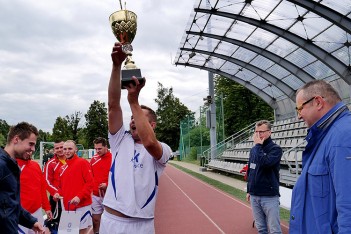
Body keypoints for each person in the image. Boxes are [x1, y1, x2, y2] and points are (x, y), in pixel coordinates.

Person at [99, 42, 172, 234]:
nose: (132, 121)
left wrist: (134, 101)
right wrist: (116, 66)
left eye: (138, 117)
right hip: (112, 221)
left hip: (141, 225)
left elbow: (149, 142)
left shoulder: (163, 149)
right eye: (131, 118)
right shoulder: (119, 140)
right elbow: (113, 105)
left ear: (152, 125)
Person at [289, 80, 351, 233]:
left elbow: (348, 207)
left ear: (318, 102)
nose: (298, 116)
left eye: (299, 108)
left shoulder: (343, 136)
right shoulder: (326, 136)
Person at [0, 122, 45, 233]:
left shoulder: (12, 166)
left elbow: (12, 205)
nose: (33, 149)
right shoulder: (1, 165)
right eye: (30, 144)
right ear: (16, 139)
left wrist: (31, 222)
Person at [246, 120, 283, 234]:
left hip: (269, 196)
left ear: (269, 132)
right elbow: (251, 170)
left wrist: (258, 145)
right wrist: (249, 190)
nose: (258, 134)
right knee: (261, 228)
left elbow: (265, 163)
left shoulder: (275, 149)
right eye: (256, 132)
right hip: (254, 195)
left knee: (274, 230)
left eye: (261, 132)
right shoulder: (254, 150)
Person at [53, 140, 94, 234]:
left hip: (82, 206)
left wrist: (79, 196)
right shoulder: (62, 168)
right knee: (70, 232)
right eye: (65, 149)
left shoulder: (83, 163)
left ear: (75, 149)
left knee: (83, 231)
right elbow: (61, 187)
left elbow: (90, 183)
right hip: (67, 207)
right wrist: (57, 194)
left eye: (70, 148)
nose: (67, 151)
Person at [17, 154, 53, 234]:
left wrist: (47, 207)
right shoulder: (13, 166)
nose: (31, 151)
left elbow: (42, 187)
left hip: (37, 211)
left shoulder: (35, 165)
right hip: (21, 215)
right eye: (29, 145)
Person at [90, 137, 112, 234]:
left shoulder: (113, 158)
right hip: (95, 194)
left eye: (99, 149)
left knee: (109, 220)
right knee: (95, 219)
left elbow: (118, 176)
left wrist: (107, 185)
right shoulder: (93, 159)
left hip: (109, 195)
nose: (97, 151)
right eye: (96, 149)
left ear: (106, 147)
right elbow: (90, 175)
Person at [43, 140, 66, 232]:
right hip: (57, 199)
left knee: (70, 223)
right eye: (57, 148)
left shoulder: (73, 161)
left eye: (62, 147)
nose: (60, 150)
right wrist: (56, 192)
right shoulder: (50, 163)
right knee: (55, 223)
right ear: (54, 149)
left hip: (71, 198)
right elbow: (47, 181)